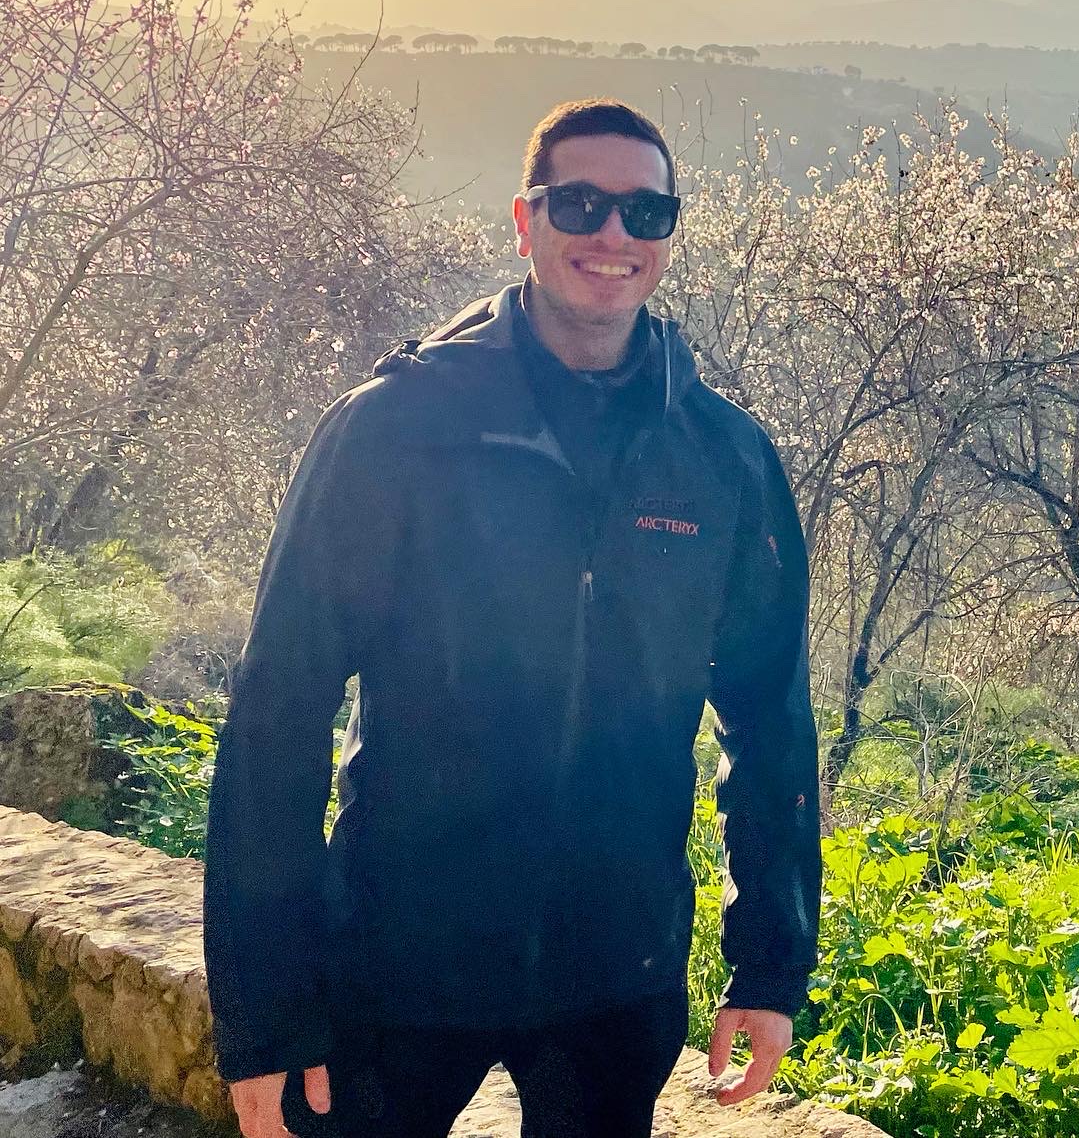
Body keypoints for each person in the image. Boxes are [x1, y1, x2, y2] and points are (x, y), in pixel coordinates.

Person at [203, 98, 821, 1138]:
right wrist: (264, 1010)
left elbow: (770, 719)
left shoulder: (723, 455)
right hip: (396, 962)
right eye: (579, 203)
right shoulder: (396, 427)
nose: (613, 233)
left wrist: (769, 961)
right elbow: (277, 713)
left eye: (645, 211)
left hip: (615, 973)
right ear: (525, 220)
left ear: (669, 234)